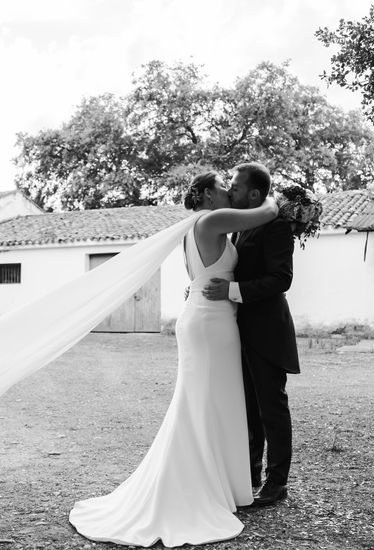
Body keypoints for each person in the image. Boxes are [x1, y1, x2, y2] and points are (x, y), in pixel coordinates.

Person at [69, 171, 279, 547]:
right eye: (222, 186)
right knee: (202, 405)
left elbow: (204, 274)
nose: (228, 190)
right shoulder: (210, 220)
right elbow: (265, 212)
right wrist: (285, 201)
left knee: (206, 404)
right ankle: (194, 487)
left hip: (207, 317)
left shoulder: (195, 226)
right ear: (207, 196)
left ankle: (214, 483)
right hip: (210, 324)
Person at [203, 162, 300, 507]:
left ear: (255, 194)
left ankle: (277, 484)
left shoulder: (275, 226)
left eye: (236, 186)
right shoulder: (240, 227)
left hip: (268, 331)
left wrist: (231, 291)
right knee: (247, 409)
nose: (231, 190)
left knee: (271, 408)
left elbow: (281, 279)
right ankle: (249, 476)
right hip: (238, 331)